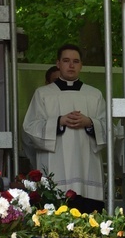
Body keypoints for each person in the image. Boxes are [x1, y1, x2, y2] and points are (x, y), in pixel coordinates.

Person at [23, 44, 107, 213]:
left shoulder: (94, 94)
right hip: (56, 169)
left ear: (81, 65)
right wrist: (59, 121)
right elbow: (30, 128)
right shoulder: (43, 94)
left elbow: (109, 130)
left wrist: (90, 123)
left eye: (76, 61)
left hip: (87, 173)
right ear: (58, 64)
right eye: (66, 61)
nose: (71, 65)